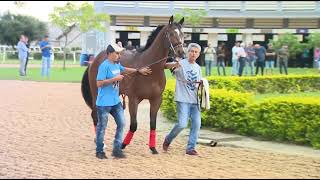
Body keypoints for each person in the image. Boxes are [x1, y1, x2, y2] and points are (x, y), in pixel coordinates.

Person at [95, 43, 152, 159]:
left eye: (119, 53)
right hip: (103, 104)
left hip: (116, 102)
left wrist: (138, 71)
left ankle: (116, 150)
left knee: (121, 123)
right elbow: (99, 83)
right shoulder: (104, 66)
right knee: (102, 127)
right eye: (117, 53)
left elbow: (124, 69)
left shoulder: (117, 65)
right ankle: (99, 151)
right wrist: (114, 79)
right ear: (110, 54)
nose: (119, 55)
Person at [162, 43, 203, 156]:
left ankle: (190, 148)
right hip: (183, 99)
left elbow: (199, 83)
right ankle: (168, 139)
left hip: (195, 101)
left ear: (198, 54)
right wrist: (174, 64)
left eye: (196, 52)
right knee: (182, 124)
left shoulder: (198, 68)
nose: (193, 54)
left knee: (196, 124)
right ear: (188, 52)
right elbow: (165, 66)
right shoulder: (180, 63)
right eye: (192, 51)